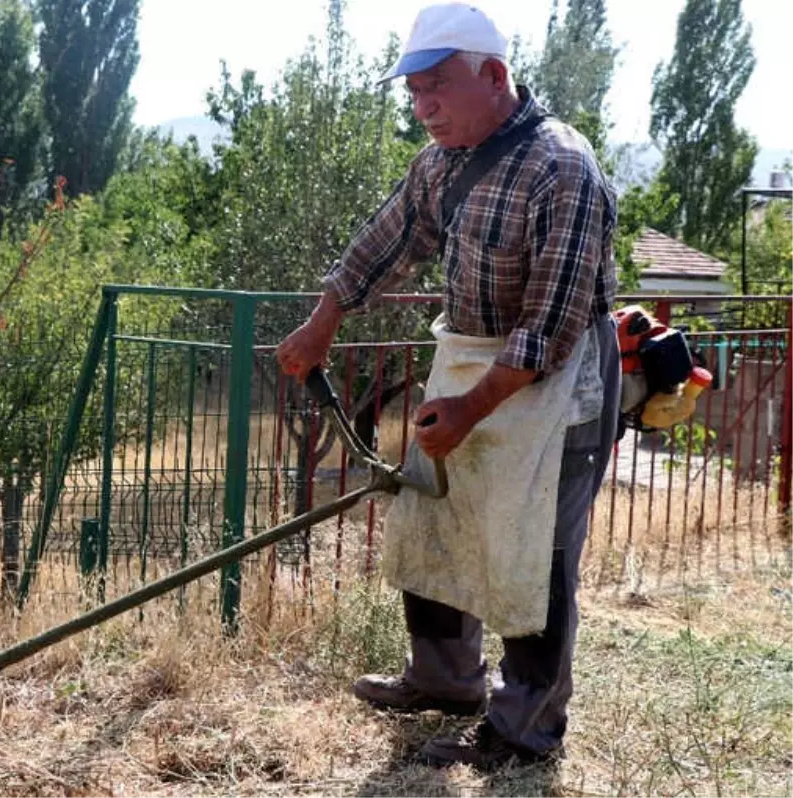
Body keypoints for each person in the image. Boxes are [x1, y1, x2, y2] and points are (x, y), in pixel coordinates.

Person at [274, 2, 621, 771]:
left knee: (535, 551)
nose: (423, 107)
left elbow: (553, 323)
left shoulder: (562, 166)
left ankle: (523, 731)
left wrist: (469, 408)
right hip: (467, 359)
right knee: (434, 515)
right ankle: (442, 679)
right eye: (413, 93)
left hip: (560, 381)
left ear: (493, 76)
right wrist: (325, 317)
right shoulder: (440, 164)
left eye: (438, 87)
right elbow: (387, 236)